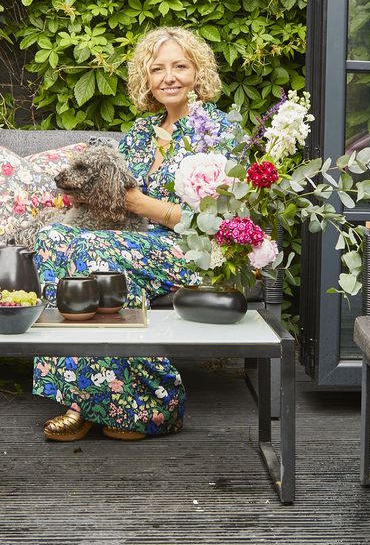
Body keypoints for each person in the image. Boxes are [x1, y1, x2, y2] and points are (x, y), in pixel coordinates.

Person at [32, 27, 238, 442]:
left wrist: (148, 207)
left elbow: (226, 219)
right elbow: (113, 199)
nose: (169, 77)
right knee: (51, 240)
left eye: (180, 66)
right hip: (134, 240)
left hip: (192, 247)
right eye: (158, 68)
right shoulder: (141, 132)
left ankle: (153, 406)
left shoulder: (217, 131)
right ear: (147, 78)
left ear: (198, 72)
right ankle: (86, 398)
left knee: (96, 253)